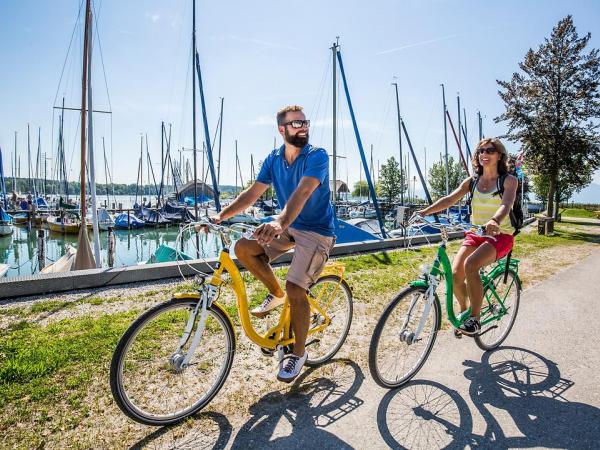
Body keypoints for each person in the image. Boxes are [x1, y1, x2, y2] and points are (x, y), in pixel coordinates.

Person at [211, 105, 335, 382]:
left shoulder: (317, 156)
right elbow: (251, 194)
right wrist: (220, 216)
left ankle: (298, 353)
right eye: (295, 124)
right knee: (244, 248)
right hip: (289, 225)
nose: (303, 127)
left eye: (305, 122)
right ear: (282, 130)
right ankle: (275, 294)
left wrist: (280, 222)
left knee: (296, 288)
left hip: (316, 231)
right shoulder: (273, 159)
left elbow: (303, 192)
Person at [418, 137, 518, 336]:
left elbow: (506, 204)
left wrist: (495, 221)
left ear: (499, 155)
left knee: (471, 265)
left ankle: (475, 318)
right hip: (476, 234)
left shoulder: (508, 180)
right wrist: (424, 213)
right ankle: (464, 313)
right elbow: (449, 199)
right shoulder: (472, 181)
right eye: (480, 151)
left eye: (489, 150)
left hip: (501, 235)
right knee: (454, 276)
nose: (484, 154)